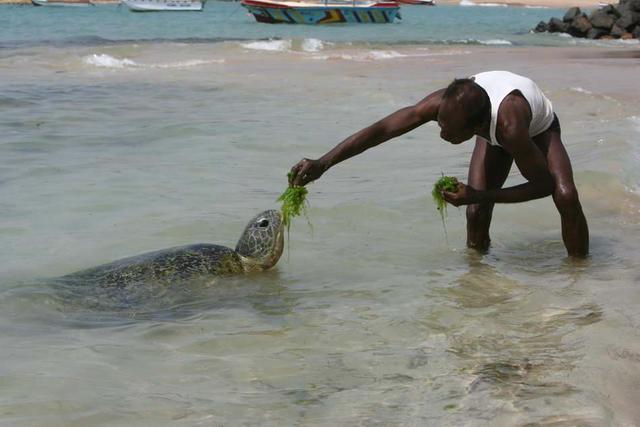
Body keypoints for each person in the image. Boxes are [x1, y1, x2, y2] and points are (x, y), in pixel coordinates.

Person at [288, 70, 589, 258]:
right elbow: (382, 131)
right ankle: (478, 279)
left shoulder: (510, 126)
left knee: (565, 196)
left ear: (475, 127)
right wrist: (323, 163)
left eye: (449, 131)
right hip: (492, 129)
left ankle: (579, 272)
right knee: (475, 213)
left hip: (537, 129)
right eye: (440, 123)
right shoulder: (447, 105)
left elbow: (542, 185)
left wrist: (478, 194)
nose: (442, 132)